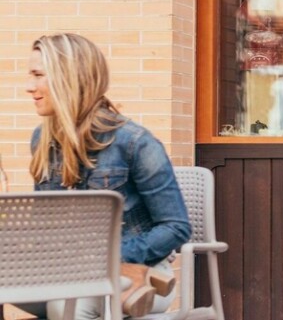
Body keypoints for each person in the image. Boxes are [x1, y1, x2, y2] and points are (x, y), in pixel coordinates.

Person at [18, 33, 192, 320]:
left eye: (38, 75)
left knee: (65, 306)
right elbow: (47, 228)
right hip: (69, 274)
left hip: (139, 273)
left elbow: (176, 227)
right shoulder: (42, 140)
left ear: (69, 78)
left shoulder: (134, 142)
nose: (29, 87)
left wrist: (108, 257)